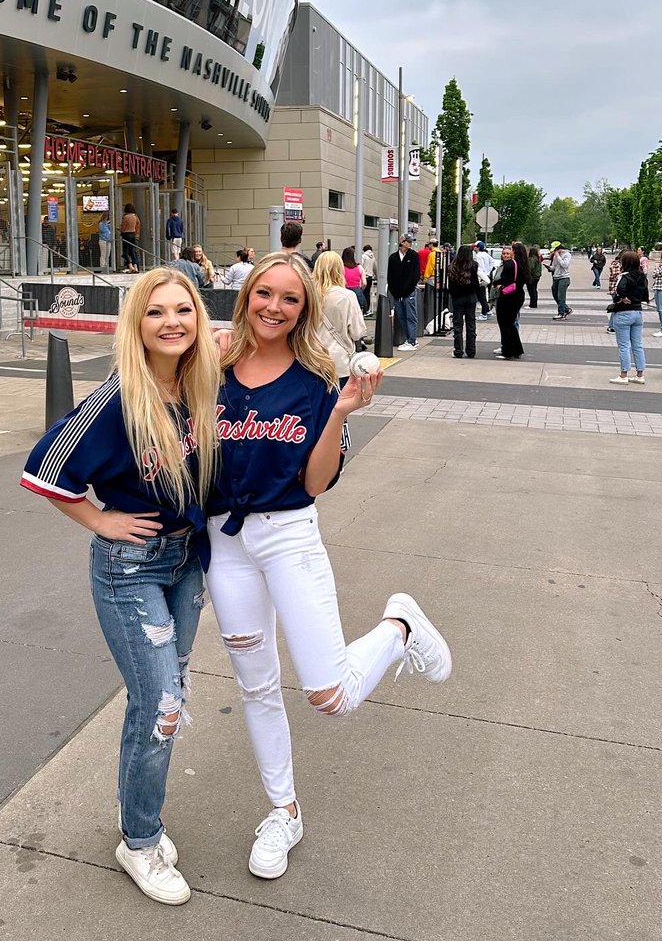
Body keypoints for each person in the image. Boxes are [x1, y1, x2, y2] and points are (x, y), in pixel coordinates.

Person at [206, 252, 451, 880]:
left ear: (305, 308)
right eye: (264, 294)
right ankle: (283, 813)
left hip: (288, 535)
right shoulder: (211, 370)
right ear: (246, 296)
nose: (273, 308)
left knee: (329, 695)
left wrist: (340, 412)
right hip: (225, 544)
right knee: (256, 686)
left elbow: (314, 483)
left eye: (290, 299)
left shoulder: (316, 383)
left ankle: (399, 628)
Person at [20, 269, 221, 905]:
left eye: (183, 309)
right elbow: (45, 471)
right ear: (135, 324)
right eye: (156, 311)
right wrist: (102, 519)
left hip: (186, 564)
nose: (172, 322)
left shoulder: (200, 391)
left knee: (165, 696)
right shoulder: (117, 399)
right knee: (160, 705)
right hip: (129, 567)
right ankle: (138, 840)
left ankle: (140, 823)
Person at [312, 251, 366, 384]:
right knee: (339, 403)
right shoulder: (347, 296)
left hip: (311, 361)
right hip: (339, 363)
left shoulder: (307, 295)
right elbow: (357, 332)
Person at [608, 250, 648, 385]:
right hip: (638, 311)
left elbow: (619, 289)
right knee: (637, 345)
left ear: (624, 263)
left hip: (624, 312)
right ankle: (640, 374)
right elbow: (646, 293)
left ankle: (623, 374)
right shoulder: (642, 276)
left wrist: (623, 297)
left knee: (624, 345)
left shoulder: (623, 276)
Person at [493, 242, 529, 359]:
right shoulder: (523, 264)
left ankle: (508, 351)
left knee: (504, 323)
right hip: (518, 295)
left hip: (508, 296)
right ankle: (516, 349)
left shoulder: (510, 264)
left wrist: (497, 285)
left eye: (511, 250)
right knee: (511, 323)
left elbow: (503, 279)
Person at [387, 233, 421, 350]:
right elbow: (390, 276)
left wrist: (410, 288)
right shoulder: (393, 258)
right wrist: (394, 291)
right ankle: (409, 339)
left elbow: (416, 274)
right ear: (402, 242)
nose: (410, 244)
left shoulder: (414, 256)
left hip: (409, 291)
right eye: (408, 241)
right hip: (397, 293)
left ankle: (412, 340)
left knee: (411, 316)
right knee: (401, 316)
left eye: (411, 242)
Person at [447, 244, 480, 359]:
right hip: (470, 298)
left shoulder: (452, 267)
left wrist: (454, 295)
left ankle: (458, 350)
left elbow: (450, 286)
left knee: (457, 325)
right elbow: (476, 284)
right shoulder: (474, 266)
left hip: (458, 299)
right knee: (471, 324)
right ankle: (471, 350)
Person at [548, 242, 572, 320]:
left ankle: (561, 313)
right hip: (556, 277)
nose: (554, 252)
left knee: (561, 296)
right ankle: (566, 309)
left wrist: (558, 257)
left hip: (564, 278)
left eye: (555, 250)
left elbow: (565, 265)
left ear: (559, 249)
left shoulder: (567, 255)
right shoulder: (555, 256)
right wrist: (550, 268)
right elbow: (554, 267)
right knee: (555, 294)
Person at [341, 246, 368, 313]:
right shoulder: (359, 267)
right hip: (357, 292)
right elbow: (364, 283)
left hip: (344, 292)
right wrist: (360, 289)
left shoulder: (341, 268)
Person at [473, 242, 494, 320]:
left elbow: (479, 267)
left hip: (481, 277)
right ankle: (487, 310)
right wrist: (488, 271)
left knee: (481, 296)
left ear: (478, 247)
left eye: (475, 246)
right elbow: (492, 262)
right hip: (487, 276)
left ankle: (484, 313)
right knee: (483, 294)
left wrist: (481, 273)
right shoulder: (486, 255)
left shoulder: (478, 256)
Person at [120, 202, 141, 272]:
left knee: (125, 252)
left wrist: (120, 230)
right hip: (133, 234)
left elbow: (123, 227)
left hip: (126, 234)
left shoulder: (126, 217)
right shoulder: (135, 216)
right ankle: (136, 266)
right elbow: (138, 225)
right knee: (133, 251)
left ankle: (130, 266)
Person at [606, 251, 622, 333]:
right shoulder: (616, 264)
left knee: (618, 307)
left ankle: (612, 325)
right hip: (616, 289)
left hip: (617, 289)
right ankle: (611, 326)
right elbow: (616, 275)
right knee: (617, 307)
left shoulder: (619, 264)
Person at [360, 244, 377, 316]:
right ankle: (367, 309)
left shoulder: (363, 257)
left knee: (362, 294)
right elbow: (375, 268)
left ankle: (363, 309)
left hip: (364, 277)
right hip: (370, 277)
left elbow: (361, 266)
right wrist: (376, 275)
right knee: (368, 294)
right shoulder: (373, 257)